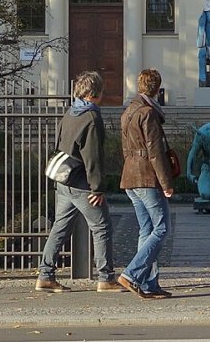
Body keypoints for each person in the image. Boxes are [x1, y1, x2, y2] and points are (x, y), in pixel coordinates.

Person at [36, 70, 123, 292]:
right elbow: (92, 156)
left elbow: (59, 143)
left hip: (63, 180)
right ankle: (105, 278)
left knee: (60, 227)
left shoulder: (70, 112)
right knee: (102, 227)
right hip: (82, 183)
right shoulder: (91, 118)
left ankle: (45, 275)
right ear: (95, 93)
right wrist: (98, 188)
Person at [119, 68, 176, 298]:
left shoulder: (128, 112)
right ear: (157, 88)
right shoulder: (148, 113)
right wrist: (166, 183)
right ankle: (132, 275)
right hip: (146, 177)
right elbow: (155, 152)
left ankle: (149, 284)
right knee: (162, 227)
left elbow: (124, 150)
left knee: (147, 230)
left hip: (130, 177)